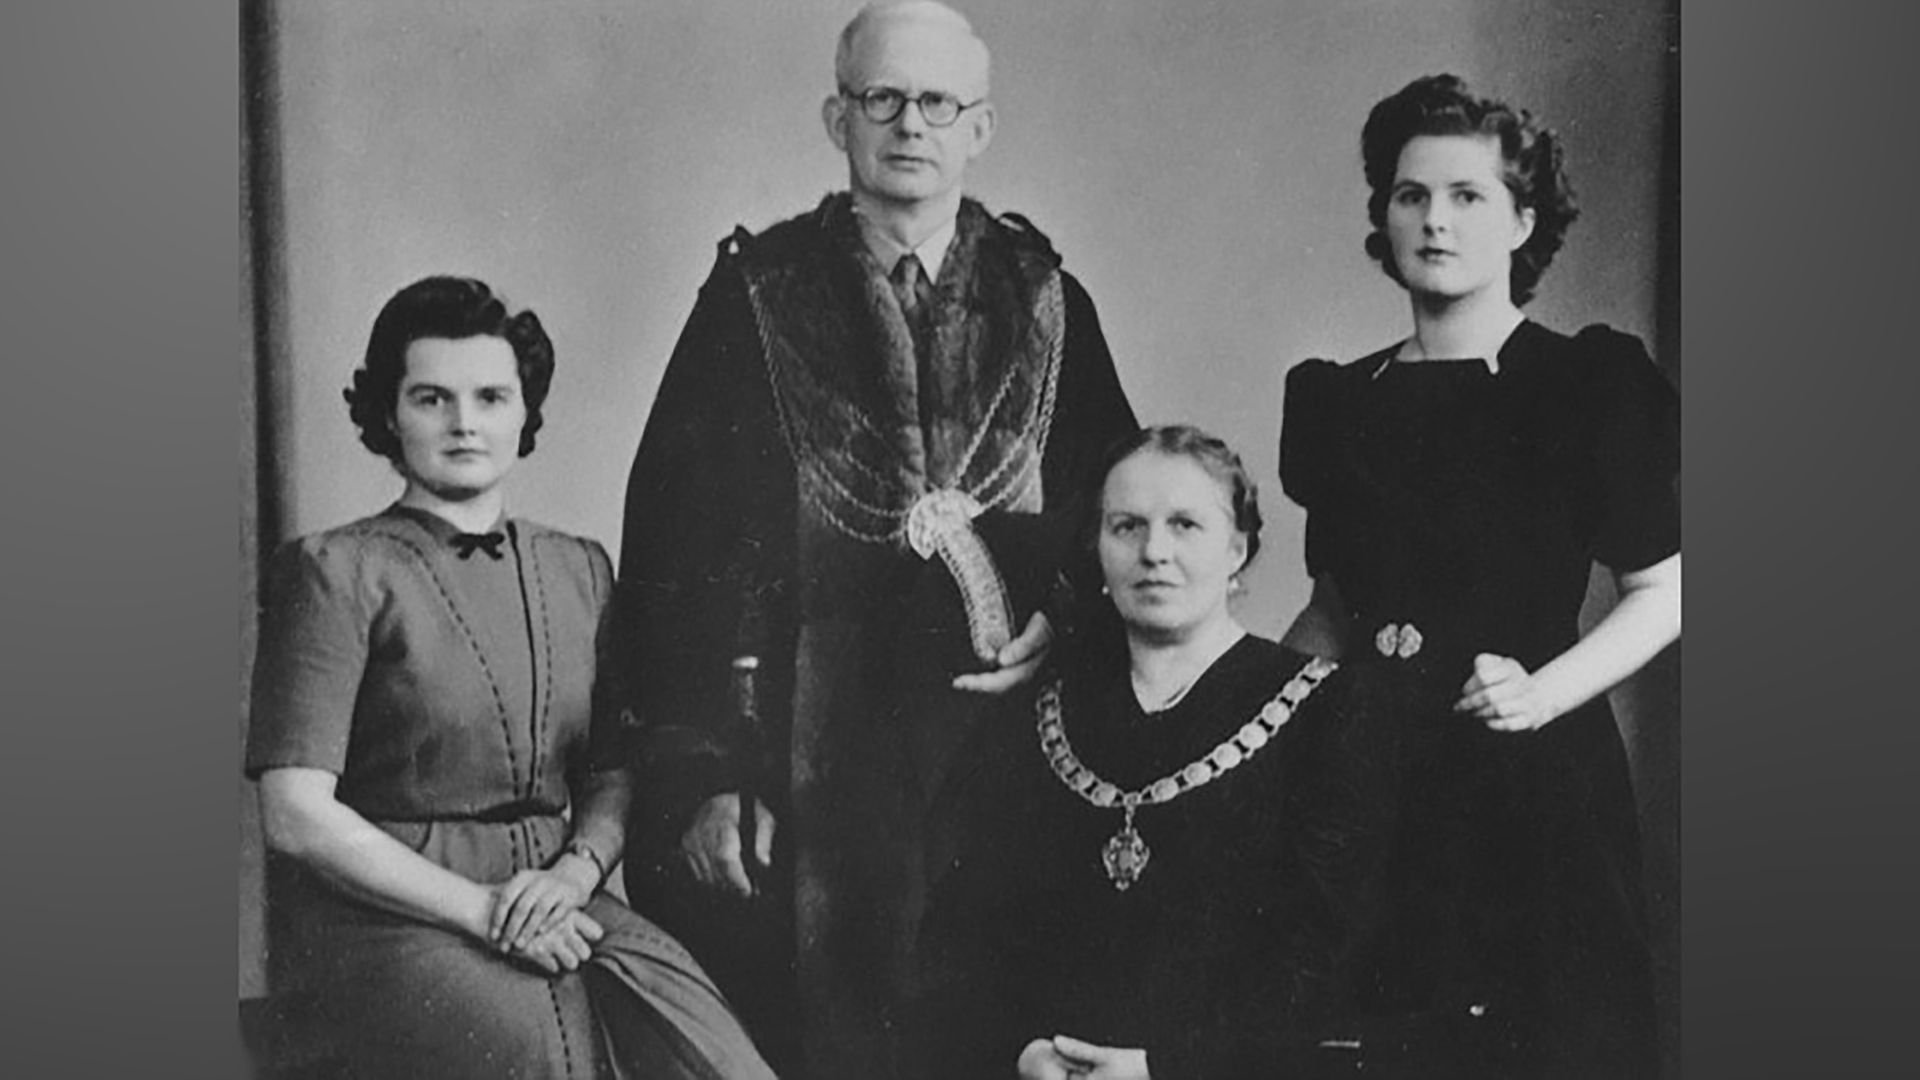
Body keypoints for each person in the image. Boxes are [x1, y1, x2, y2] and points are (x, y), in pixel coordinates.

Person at [609, 3, 1137, 1076]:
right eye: (880, 99)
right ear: (835, 117)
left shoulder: (1045, 299)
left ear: (979, 126)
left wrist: (1061, 622)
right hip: (810, 762)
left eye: (938, 102)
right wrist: (710, 772)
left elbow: (1114, 511)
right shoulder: (755, 298)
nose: (910, 125)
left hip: (1003, 740)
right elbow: (675, 551)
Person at [246, 276, 776, 1080]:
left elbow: (609, 770)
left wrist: (574, 873)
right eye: (432, 398)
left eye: (491, 396)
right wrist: (484, 911)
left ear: (524, 413)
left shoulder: (580, 568)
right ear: (388, 414)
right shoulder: (335, 570)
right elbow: (295, 814)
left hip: (558, 897)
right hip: (395, 922)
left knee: (722, 1063)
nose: (464, 423)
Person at [1278, 74, 1682, 1077]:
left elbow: (1665, 589)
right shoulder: (1341, 400)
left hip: (1533, 786)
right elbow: (1334, 610)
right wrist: (1250, 718)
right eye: (1411, 195)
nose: (1435, 221)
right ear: (1382, 215)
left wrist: (1541, 694)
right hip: (1370, 790)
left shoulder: (1585, 384)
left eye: (1468, 196)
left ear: (1522, 219)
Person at [910, 425, 1402, 1079]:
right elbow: (963, 934)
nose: (1155, 552)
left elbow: (1322, 956)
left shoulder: (1325, 711)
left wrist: (1163, 1067)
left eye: (1186, 525)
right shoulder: (1037, 713)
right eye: (1127, 527)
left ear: (1239, 548)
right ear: (1098, 548)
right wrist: (1022, 1051)